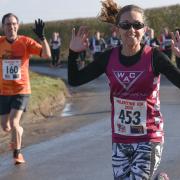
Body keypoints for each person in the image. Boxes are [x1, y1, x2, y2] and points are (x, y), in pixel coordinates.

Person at [68, 0, 180, 179]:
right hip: (120, 137)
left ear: (144, 29)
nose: (131, 30)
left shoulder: (154, 57)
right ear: (117, 29)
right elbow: (75, 80)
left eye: (137, 25)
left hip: (149, 135)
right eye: (125, 25)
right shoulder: (108, 58)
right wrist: (73, 53)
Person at [0, 13, 51, 165]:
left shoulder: (26, 42)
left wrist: (42, 37)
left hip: (22, 89)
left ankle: (17, 154)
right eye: (8, 24)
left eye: (14, 23)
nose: (11, 27)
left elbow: (47, 54)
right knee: (6, 126)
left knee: (14, 122)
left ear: (18, 25)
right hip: (3, 91)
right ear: (3, 27)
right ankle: (18, 133)